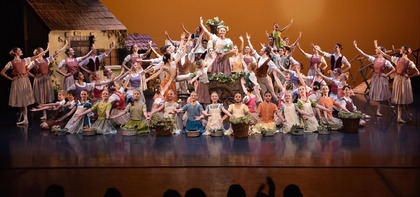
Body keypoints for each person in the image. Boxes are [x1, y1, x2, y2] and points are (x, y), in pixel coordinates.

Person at [1, 44, 49, 125]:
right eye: (19, 50)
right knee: (21, 100)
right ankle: (24, 117)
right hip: (17, 82)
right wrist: (11, 78)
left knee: (24, 101)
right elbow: (2, 72)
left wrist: (46, 50)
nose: (21, 51)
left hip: (25, 81)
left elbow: (37, 56)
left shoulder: (25, 60)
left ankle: (24, 118)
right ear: (16, 53)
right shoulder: (11, 63)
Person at [375, 41, 419, 123]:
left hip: (404, 81)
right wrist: (376, 46)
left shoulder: (409, 62)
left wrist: (409, 76)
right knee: (400, 100)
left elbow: (418, 72)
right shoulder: (397, 60)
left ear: (405, 51)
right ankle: (405, 115)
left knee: (402, 100)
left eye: (402, 49)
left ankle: (401, 117)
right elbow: (385, 55)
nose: (400, 50)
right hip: (397, 80)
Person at [353, 40, 395, 116]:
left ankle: (384, 108)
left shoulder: (386, 61)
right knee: (378, 94)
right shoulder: (374, 59)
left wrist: (386, 75)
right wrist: (356, 47)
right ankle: (385, 108)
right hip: (375, 78)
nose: (375, 50)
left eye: (377, 49)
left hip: (382, 79)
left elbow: (393, 69)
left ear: (381, 51)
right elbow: (364, 54)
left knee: (382, 94)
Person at [29, 40, 68, 119]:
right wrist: (34, 76)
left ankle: (51, 113)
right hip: (39, 80)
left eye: (44, 50)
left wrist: (65, 46)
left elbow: (57, 53)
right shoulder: (34, 62)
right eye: (42, 51)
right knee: (41, 97)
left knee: (46, 96)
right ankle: (44, 114)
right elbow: (27, 69)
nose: (44, 52)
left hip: (46, 79)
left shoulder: (47, 60)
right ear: (38, 53)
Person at [246, 32, 282, 102]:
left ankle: (279, 104)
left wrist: (283, 75)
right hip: (261, 79)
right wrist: (248, 40)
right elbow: (252, 49)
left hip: (266, 78)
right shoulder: (259, 58)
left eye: (262, 49)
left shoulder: (268, 60)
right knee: (264, 94)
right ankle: (265, 107)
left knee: (272, 93)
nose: (261, 49)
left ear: (265, 52)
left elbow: (276, 68)